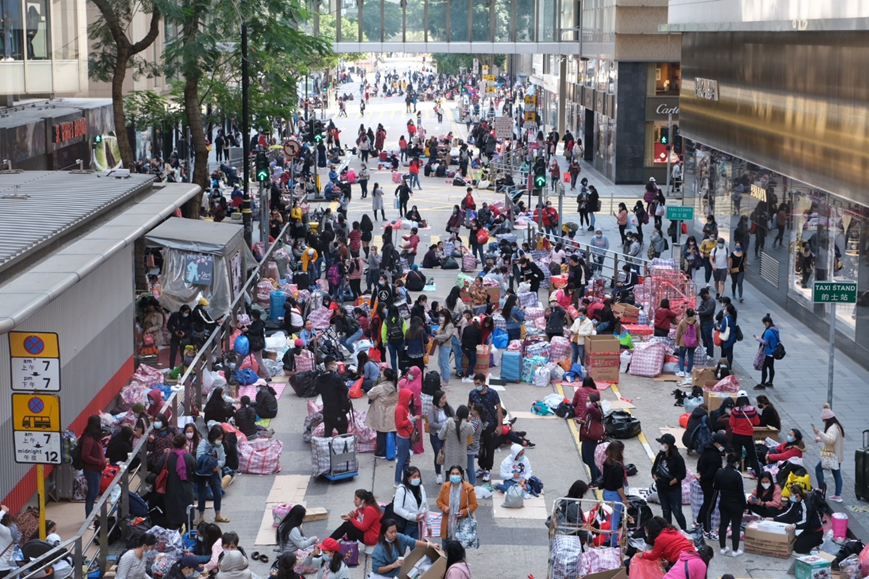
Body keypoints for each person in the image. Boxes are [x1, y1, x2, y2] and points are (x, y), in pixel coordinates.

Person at [153, 434, 196, 529]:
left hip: (170, 491)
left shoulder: (167, 456)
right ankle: (189, 539)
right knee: (188, 517)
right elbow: (195, 470)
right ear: (185, 445)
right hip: (186, 492)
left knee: (172, 519)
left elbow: (157, 469)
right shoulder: (188, 457)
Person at [468, 373, 503, 483]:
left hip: (490, 424)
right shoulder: (473, 393)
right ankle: (481, 467)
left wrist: (499, 425)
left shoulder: (492, 393)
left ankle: (487, 469)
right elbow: (469, 405)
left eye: (478, 383)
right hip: (477, 425)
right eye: (475, 383)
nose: (476, 385)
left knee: (490, 447)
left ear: (484, 382)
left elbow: (498, 409)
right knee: (479, 447)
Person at [652, 433, 689, 530]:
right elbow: (654, 468)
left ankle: (684, 531)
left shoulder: (677, 458)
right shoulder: (660, 455)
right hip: (661, 488)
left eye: (663, 443)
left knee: (677, 512)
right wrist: (654, 476)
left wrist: (672, 482)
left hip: (673, 489)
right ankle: (668, 531)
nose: (661, 445)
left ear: (668, 445)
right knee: (665, 511)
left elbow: (682, 474)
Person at [772, 485, 824, 554]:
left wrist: (794, 525)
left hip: (815, 531)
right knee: (794, 543)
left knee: (798, 548)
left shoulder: (806, 505)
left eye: (791, 495)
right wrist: (773, 519)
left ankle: (817, 542)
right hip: (807, 530)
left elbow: (805, 521)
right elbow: (788, 513)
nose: (790, 497)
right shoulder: (795, 503)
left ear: (797, 495)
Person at [713, 452, 747, 557]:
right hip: (736, 504)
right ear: (736, 462)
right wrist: (745, 506)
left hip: (724, 502)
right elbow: (742, 492)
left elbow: (716, 487)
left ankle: (723, 548)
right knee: (735, 526)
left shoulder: (719, 472)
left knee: (723, 524)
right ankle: (735, 550)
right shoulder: (737, 475)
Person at [436, 465, 478, 547]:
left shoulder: (468, 488)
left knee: (459, 552)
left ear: (461, 475)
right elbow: (439, 501)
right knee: (445, 551)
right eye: (453, 473)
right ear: (449, 475)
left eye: (457, 473)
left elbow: (474, 504)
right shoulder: (445, 486)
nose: (455, 475)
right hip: (447, 525)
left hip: (461, 526)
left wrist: (464, 512)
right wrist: (444, 508)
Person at [196, 425, 229, 524]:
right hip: (204, 474)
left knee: (217, 493)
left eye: (221, 439)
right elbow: (199, 457)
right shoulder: (203, 443)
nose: (219, 441)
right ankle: (201, 516)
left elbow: (222, 459)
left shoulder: (220, 446)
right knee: (202, 494)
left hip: (215, 473)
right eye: (218, 438)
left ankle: (218, 514)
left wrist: (217, 466)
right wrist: (209, 464)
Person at [696, 431, 726, 538]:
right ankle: (707, 530)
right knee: (709, 507)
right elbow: (711, 473)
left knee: (706, 503)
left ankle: (698, 522)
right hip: (712, 484)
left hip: (704, 482)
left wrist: (700, 475)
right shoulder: (715, 458)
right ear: (717, 444)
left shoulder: (706, 450)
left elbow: (699, 463)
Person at [813, 403, 845, 502]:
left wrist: (819, 433)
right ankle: (837, 495)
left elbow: (830, 440)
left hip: (831, 455)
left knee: (818, 468)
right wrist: (819, 439)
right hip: (837, 455)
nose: (824, 422)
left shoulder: (832, 428)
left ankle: (821, 488)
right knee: (837, 474)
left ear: (827, 419)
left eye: (824, 420)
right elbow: (830, 440)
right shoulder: (837, 426)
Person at [601, 440, 628, 547]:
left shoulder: (607, 463)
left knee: (608, 518)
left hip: (606, 493)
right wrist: (625, 500)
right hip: (614, 496)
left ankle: (606, 539)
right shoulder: (617, 467)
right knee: (614, 521)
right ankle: (613, 544)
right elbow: (619, 487)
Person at [391, 466, 429, 540]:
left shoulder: (421, 488)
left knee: (416, 549)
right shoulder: (402, 490)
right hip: (405, 524)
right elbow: (397, 508)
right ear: (408, 478)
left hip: (417, 525)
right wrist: (413, 516)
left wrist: (429, 525)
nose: (417, 478)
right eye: (414, 477)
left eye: (418, 476)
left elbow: (425, 506)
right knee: (401, 549)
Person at [729, 390, 761, 476]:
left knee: (737, 455)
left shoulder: (735, 411)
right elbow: (757, 422)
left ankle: (737, 473)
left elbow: (732, 424)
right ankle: (758, 473)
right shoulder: (753, 410)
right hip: (748, 436)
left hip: (736, 435)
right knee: (753, 456)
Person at [80, 415, 107, 517]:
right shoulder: (89, 439)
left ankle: (91, 516)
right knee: (92, 494)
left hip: (96, 470)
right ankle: (89, 518)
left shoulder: (95, 437)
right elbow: (85, 456)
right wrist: (99, 462)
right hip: (92, 471)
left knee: (94, 493)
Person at [319, 356, 352, 436]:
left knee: (328, 433)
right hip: (338, 410)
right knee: (342, 431)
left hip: (327, 410)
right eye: (334, 364)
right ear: (330, 366)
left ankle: (328, 447)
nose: (336, 365)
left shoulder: (320, 378)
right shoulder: (336, 377)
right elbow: (346, 390)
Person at [394, 389, 421, 486]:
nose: (410, 400)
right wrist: (412, 420)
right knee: (402, 460)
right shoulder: (400, 409)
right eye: (409, 398)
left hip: (407, 437)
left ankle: (405, 479)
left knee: (406, 460)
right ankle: (397, 481)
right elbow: (399, 424)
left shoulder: (406, 408)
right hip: (403, 438)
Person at [576, 393, 605, 482]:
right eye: (586, 401)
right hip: (585, 437)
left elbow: (590, 408)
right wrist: (580, 421)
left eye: (589, 401)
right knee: (585, 459)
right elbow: (582, 416)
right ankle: (600, 476)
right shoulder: (589, 411)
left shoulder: (596, 411)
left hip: (591, 439)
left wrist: (595, 404)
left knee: (591, 461)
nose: (587, 403)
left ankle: (594, 481)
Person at [428, 391, 453, 484]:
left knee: (447, 454)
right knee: (439, 454)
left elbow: (454, 415)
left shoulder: (448, 407)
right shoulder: (432, 409)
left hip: (447, 435)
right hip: (436, 435)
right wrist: (444, 425)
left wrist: (450, 422)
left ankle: (447, 475)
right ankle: (438, 474)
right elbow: (431, 423)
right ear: (437, 400)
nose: (444, 400)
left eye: (445, 398)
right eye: (443, 398)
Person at [753, 313, 780, 390]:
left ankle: (762, 384)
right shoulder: (776, 329)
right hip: (773, 351)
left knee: (764, 367)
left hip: (768, 352)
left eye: (764, 324)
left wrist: (758, 339)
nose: (764, 325)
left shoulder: (768, 331)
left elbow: (765, 342)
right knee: (771, 367)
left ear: (767, 323)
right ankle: (770, 382)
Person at [674, 308, 699, 385]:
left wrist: (677, 341)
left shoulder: (682, 322)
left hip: (683, 342)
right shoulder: (696, 323)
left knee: (682, 356)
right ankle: (688, 372)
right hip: (693, 343)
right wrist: (697, 342)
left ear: (686, 314)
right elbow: (698, 334)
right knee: (691, 356)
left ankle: (681, 371)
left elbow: (678, 333)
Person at [460, 316, 483, 381]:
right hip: (471, 348)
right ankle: (466, 376)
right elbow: (479, 341)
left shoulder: (466, 328)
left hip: (464, 347)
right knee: (473, 361)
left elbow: (463, 337)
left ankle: (471, 373)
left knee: (471, 360)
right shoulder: (479, 330)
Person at [697, 287, 716, 361]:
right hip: (702, 321)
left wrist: (698, 312)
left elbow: (708, 312)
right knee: (704, 337)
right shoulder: (703, 301)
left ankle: (710, 354)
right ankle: (705, 352)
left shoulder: (711, 301)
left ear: (706, 294)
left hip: (708, 321)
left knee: (708, 338)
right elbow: (700, 308)